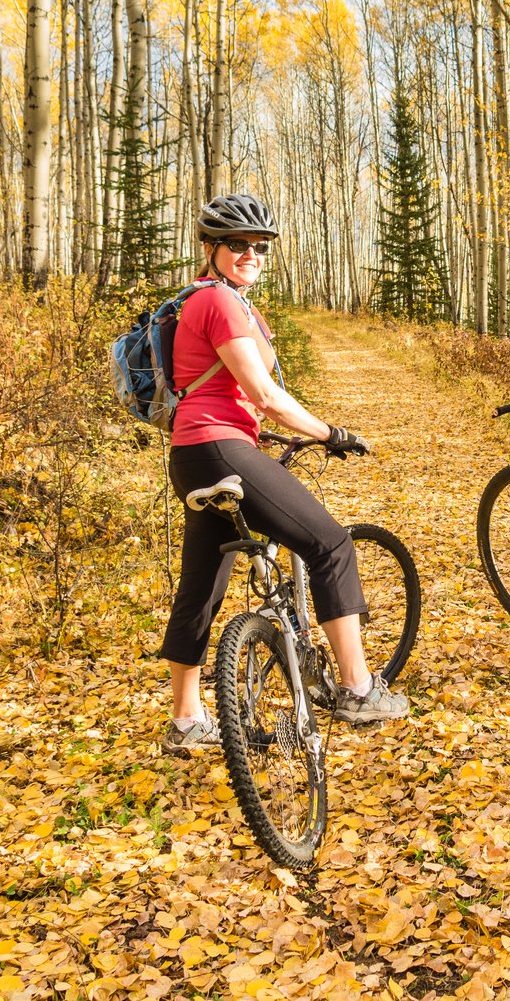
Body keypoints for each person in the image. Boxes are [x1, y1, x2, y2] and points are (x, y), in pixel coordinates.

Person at [159, 193, 409, 753]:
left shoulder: (215, 304)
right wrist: (328, 432)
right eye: (237, 245)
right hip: (220, 451)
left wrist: (265, 431)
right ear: (210, 248)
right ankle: (358, 688)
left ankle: (185, 721)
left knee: (201, 585)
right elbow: (264, 393)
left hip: (194, 455)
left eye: (259, 246)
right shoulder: (219, 303)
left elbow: (233, 394)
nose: (250, 253)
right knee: (330, 544)